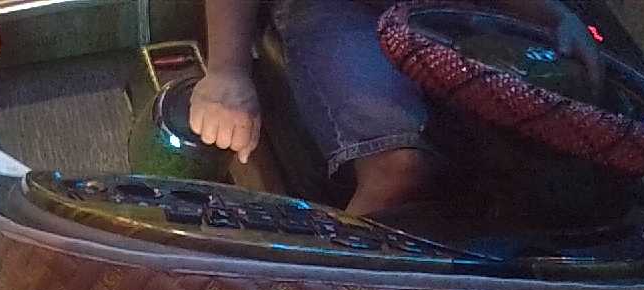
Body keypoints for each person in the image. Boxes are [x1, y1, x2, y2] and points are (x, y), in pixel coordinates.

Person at [189, 0, 604, 216]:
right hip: (336, 9)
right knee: (400, 170)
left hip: (443, 11)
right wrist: (227, 71)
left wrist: (556, 17)